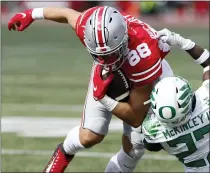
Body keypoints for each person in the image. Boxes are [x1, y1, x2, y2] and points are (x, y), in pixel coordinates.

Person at [8, 6, 208, 173]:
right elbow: (68, 14)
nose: (106, 60)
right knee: (89, 136)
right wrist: (32, 14)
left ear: (124, 40)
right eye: (99, 55)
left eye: (112, 54)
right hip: (110, 76)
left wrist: (103, 98)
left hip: (148, 80)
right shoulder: (93, 29)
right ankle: (62, 154)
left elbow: (135, 116)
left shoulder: (144, 55)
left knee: (135, 147)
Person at [142, 50, 209, 172]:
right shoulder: (206, 101)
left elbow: (151, 146)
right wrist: (185, 44)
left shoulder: (153, 131)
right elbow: (208, 63)